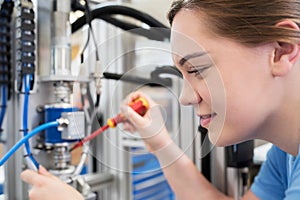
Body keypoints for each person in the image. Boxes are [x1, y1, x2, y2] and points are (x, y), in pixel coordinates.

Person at [20, 0, 300, 199]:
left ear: (281, 52)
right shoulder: (286, 155)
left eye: (198, 70)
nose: (185, 98)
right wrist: (158, 141)